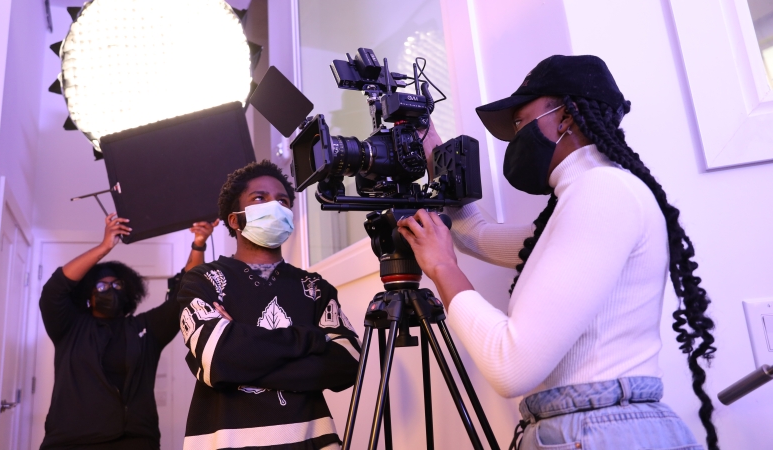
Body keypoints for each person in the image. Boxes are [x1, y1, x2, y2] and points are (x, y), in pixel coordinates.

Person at [397, 55, 717, 450]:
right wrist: (432, 149)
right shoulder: (589, 199)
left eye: (520, 121)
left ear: (564, 117)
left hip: (600, 431)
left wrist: (442, 267)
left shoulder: (602, 192)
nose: (516, 137)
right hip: (597, 427)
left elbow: (509, 367)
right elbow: (476, 235)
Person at [178, 160, 361, 450]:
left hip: (312, 441)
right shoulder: (204, 280)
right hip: (225, 442)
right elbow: (215, 358)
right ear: (235, 220)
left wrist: (237, 349)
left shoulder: (314, 287)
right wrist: (312, 337)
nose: (274, 206)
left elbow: (348, 364)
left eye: (283, 201)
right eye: (259, 198)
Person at [39, 214, 217, 449]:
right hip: (70, 440)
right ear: (88, 296)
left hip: (135, 440)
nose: (110, 290)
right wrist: (104, 247)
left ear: (128, 292)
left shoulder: (145, 329)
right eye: (101, 286)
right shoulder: (70, 327)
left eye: (117, 285)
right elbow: (55, 289)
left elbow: (183, 294)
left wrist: (199, 243)